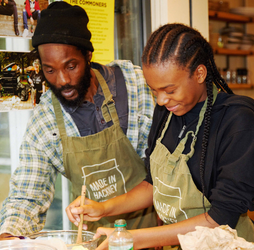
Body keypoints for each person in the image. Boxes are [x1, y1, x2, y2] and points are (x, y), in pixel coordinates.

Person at [66, 23, 254, 249]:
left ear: (200, 73)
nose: (161, 100)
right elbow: (153, 184)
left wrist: (132, 238)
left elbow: (221, 218)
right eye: (154, 90)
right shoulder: (166, 112)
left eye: (170, 90)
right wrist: (103, 207)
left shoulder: (236, 120)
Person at [0, 1, 157, 239]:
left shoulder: (136, 86)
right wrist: (8, 238)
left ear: (88, 55)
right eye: (49, 70)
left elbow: (169, 168)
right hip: (95, 241)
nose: (62, 80)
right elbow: (26, 196)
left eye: (71, 66)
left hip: (158, 235)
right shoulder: (46, 121)